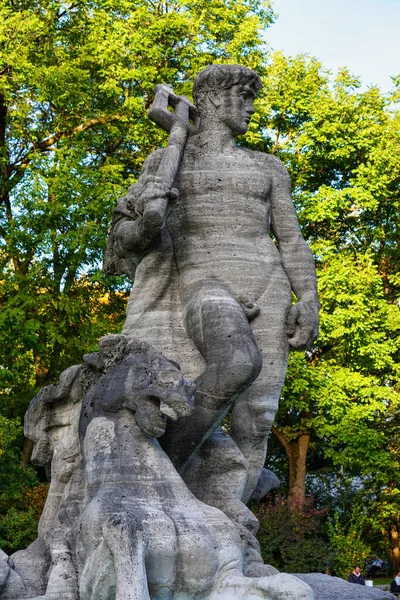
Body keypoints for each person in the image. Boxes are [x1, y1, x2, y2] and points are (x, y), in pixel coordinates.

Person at [108, 64, 319, 503]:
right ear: (212, 100)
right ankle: (159, 478)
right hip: (204, 280)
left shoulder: (268, 167)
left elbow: (291, 238)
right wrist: (147, 220)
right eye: (243, 97)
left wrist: (310, 298)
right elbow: (136, 231)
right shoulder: (170, 158)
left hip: (270, 285)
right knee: (238, 362)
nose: (250, 107)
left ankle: (230, 527)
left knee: (257, 419)